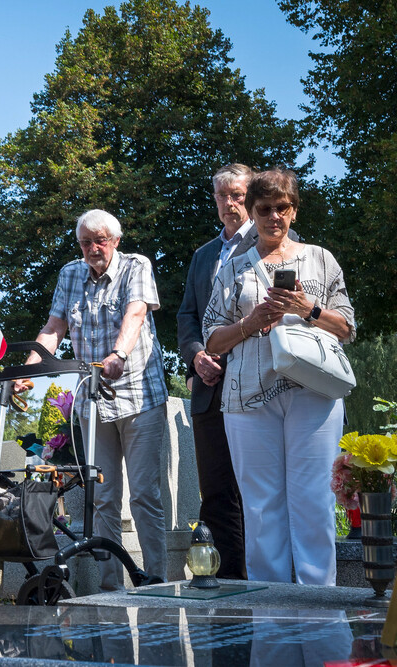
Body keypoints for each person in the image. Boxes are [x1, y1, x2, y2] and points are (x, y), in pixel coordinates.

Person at [202, 167, 355, 585]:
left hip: (314, 391)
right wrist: (250, 323)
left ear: (294, 211)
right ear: (252, 211)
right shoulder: (232, 268)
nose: (274, 217)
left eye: (282, 208)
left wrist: (309, 309)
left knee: (313, 502)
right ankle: (270, 609)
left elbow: (347, 329)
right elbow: (212, 340)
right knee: (261, 508)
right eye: (264, 208)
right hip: (248, 395)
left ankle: (319, 604)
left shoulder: (320, 259)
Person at [17, 209, 168, 591]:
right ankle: (110, 586)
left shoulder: (137, 266)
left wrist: (117, 355)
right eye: (86, 242)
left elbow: (135, 313)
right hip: (94, 401)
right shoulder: (70, 274)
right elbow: (54, 328)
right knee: (101, 496)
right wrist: (28, 372)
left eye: (100, 240)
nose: (93, 248)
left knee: (146, 495)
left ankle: (156, 582)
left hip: (139, 395)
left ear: (116, 240)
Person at [176, 163, 273, 580]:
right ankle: (228, 582)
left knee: (257, 489)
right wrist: (197, 355)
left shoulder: (273, 243)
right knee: (216, 491)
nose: (230, 203)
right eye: (222, 196)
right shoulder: (203, 256)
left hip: (256, 383)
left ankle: (266, 580)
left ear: (251, 198)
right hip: (209, 390)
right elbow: (187, 316)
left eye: (237, 195)